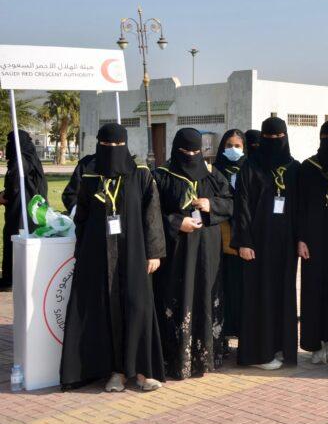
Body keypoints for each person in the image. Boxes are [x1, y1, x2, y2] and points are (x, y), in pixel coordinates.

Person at [60, 123, 165, 392]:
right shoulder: (90, 176)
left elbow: (152, 214)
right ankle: (116, 373)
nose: (113, 150)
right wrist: (82, 251)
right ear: (99, 145)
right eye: (107, 145)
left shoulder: (141, 174)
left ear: (126, 145)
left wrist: (154, 252)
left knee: (138, 307)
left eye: (118, 145)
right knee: (107, 311)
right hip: (98, 255)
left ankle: (142, 372)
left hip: (134, 252)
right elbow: (81, 217)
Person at [153, 128, 234, 379]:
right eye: (185, 151)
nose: (190, 156)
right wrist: (177, 222)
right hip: (177, 252)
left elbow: (230, 202)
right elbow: (151, 214)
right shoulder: (161, 176)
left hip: (208, 250)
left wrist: (212, 205)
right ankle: (176, 357)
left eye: (195, 151)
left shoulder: (212, 174)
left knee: (205, 293)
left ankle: (205, 356)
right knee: (178, 294)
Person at [231, 117, 299, 370]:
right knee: (259, 295)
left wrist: (301, 239)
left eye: (279, 137)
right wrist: (244, 242)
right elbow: (242, 206)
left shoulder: (294, 167)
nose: (275, 142)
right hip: (257, 243)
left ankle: (281, 347)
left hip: (286, 244)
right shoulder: (250, 166)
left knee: (283, 294)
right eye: (269, 138)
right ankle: (258, 354)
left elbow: (302, 209)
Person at [296, 120, 328, 365]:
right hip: (314, 240)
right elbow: (299, 206)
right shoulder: (308, 168)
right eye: (327, 137)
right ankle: (316, 344)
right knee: (314, 291)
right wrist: (301, 239)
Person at [212, 129, 246, 355]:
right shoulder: (214, 170)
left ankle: (243, 334)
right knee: (221, 287)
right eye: (229, 145)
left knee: (241, 288)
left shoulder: (249, 168)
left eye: (237, 146)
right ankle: (221, 338)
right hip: (220, 237)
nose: (233, 149)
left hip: (244, 237)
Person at [2, 130, 48, 290]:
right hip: (31, 209)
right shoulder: (31, 159)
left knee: (16, 241)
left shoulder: (20, 161)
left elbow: (14, 186)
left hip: (19, 211)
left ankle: (12, 279)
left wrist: (4, 196)